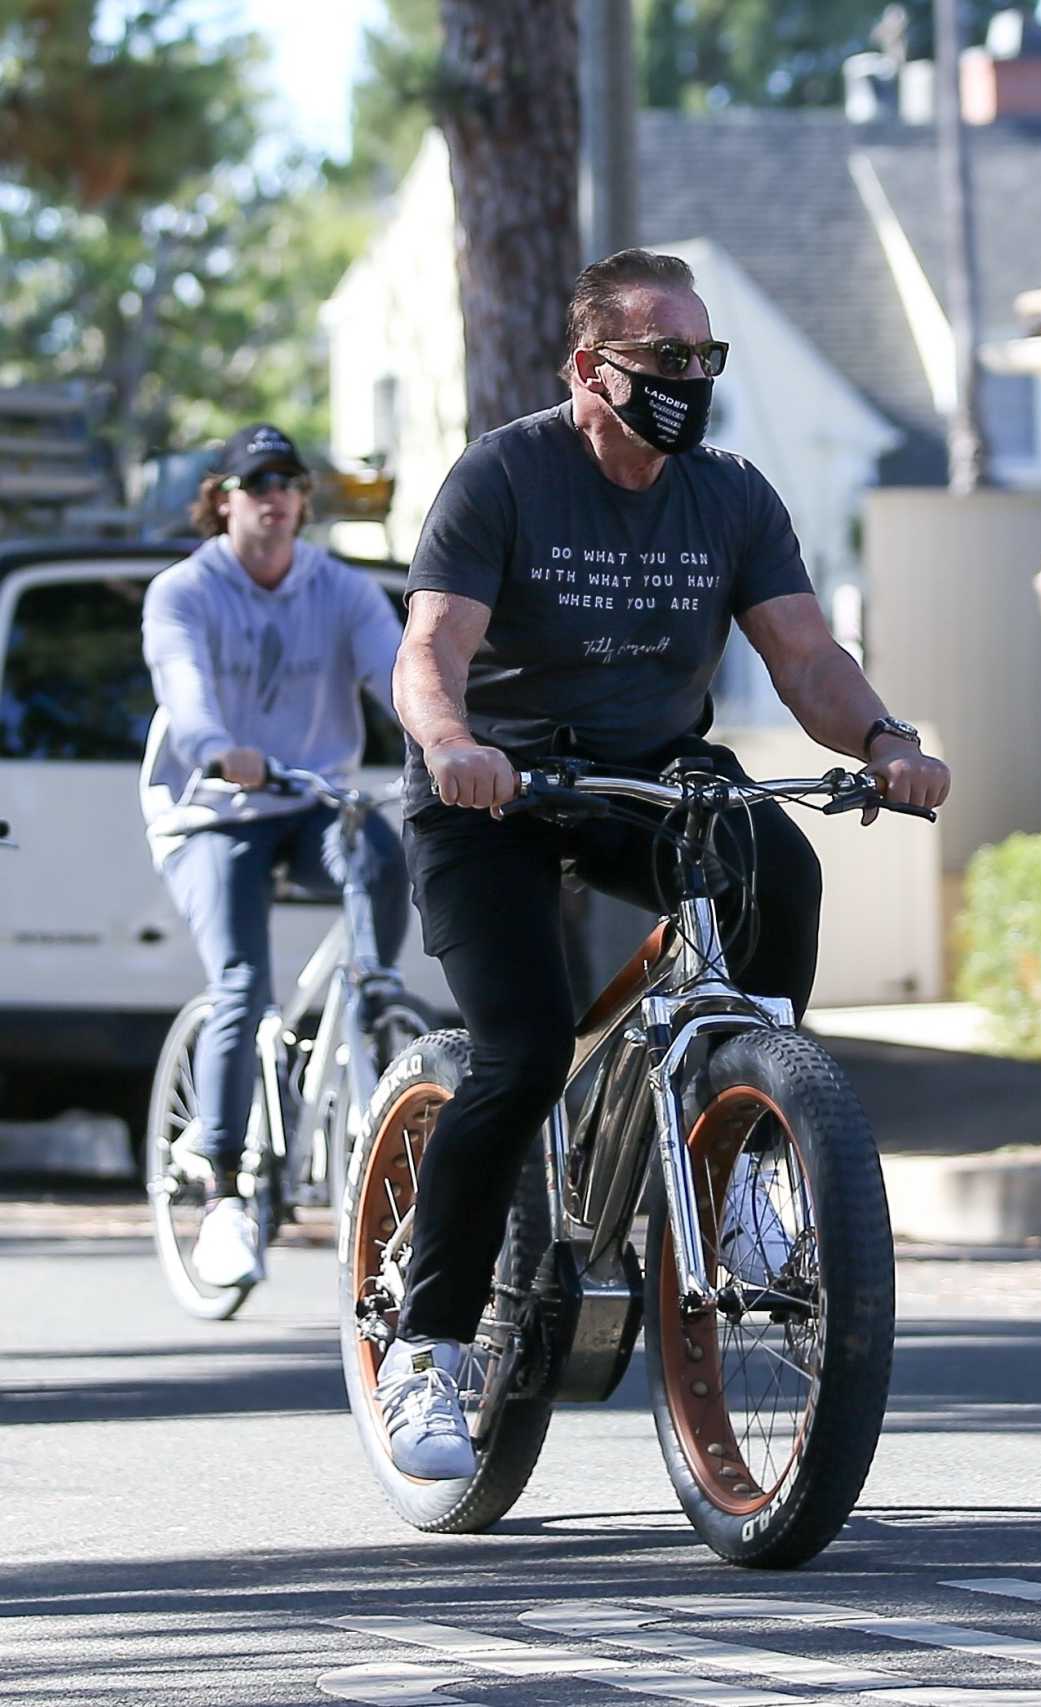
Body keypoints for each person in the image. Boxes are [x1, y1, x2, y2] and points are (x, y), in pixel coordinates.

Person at [378, 248, 950, 1480]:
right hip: (498, 793)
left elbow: (804, 658)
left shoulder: (730, 494)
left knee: (777, 867)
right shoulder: (505, 476)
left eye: (707, 359)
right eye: (666, 360)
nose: (692, 380)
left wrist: (886, 741)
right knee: (521, 1052)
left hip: (646, 780)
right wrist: (454, 743)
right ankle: (425, 1351)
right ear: (591, 368)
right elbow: (429, 650)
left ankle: (747, 1143)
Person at [140, 423, 408, 1290]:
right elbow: (182, 686)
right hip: (210, 810)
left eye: (290, 482)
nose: (277, 497)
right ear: (224, 499)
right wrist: (219, 746)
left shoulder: (341, 589)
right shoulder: (184, 591)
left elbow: (398, 673)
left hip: (311, 797)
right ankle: (220, 1188)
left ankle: (372, 1000)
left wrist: (449, 741)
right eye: (257, 483)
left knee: (376, 849)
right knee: (239, 983)